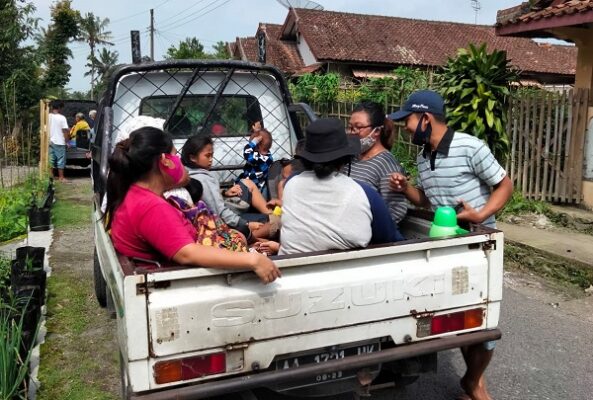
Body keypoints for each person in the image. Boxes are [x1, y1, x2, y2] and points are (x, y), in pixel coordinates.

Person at [388, 90, 513, 400]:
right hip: (446, 249)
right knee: (459, 316)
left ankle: (474, 384)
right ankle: (474, 384)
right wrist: (407, 189)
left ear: (426, 119)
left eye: (409, 121)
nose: (405, 127)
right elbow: (428, 201)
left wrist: (482, 213)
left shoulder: (470, 147)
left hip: (480, 246)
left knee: (484, 326)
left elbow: (505, 184)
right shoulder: (422, 156)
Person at [105, 126, 280, 284]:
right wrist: (253, 260)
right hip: (183, 282)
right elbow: (188, 253)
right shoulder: (151, 206)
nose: (181, 163)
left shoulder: (135, 196)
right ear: (165, 161)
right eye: (176, 155)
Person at [278, 118, 403, 255]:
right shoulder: (365, 193)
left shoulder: (290, 183)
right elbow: (391, 241)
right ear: (345, 159)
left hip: (289, 271)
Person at [181, 135, 275, 241]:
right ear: (192, 157)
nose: (211, 160)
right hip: (224, 222)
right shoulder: (203, 179)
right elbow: (219, 212)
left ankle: (270, 214)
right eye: (207, 156)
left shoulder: (187, 173)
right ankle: (251, 237)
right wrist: (247, 224)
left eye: (212, 155)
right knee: (272, 222)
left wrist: (224, 192)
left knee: (247, 183)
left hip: (221, 211)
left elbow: (208, 196)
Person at [344, 101, 407, 225]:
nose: (352, 132)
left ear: (377, 131)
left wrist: (369, 227)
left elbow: (397, 210)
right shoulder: (350, 157)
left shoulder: (386, 164)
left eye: (358, 127)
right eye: (350, 127)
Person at [48, 101, 70, 182]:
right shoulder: (62, 118)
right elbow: (65, 131)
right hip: (59, 141)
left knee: (51, 159)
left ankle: (51, 177)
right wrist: (67, 142)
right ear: (59, 108)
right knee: (61, 160)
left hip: (50, 141)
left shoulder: (48, 116)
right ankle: (61, 177)